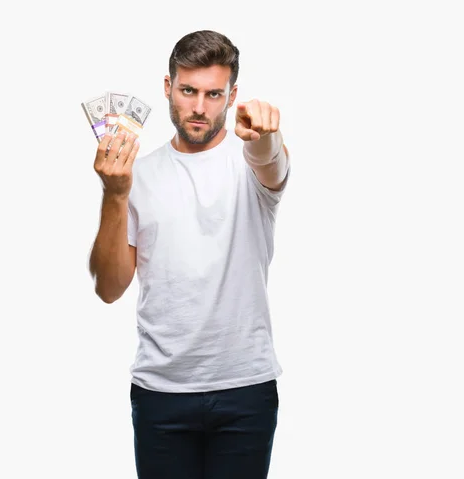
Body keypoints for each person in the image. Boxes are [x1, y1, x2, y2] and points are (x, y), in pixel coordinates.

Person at [88, 29, 291, 479]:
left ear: (231, 95)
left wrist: (265, 136)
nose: (200, 107)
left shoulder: (251, 163)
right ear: (168, 87)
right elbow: (108, 287)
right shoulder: (137, 175)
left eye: (214, 94)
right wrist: (115, 193)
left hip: (245, 388)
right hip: (161, 391)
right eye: (188, 91)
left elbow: (272, 163)